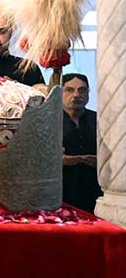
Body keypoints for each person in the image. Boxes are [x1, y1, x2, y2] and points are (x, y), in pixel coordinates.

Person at [61, 73, 102, 213]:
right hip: (62, 192)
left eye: (82, 90)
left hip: (94, 192)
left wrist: (101, 161)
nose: (76, 95)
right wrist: (60, 160)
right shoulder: (50, 120)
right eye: (69, 90)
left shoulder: (98, 119)